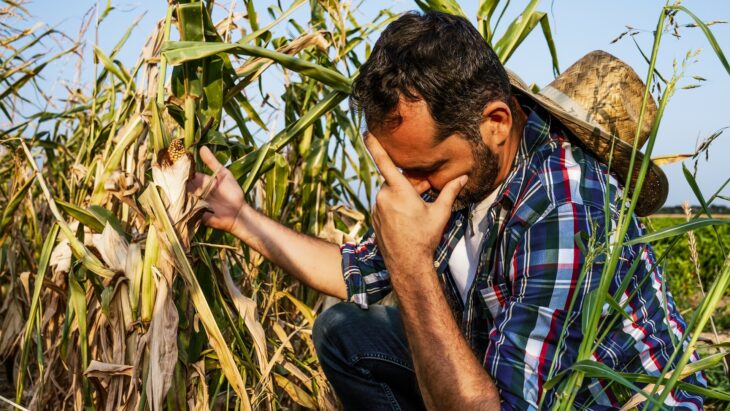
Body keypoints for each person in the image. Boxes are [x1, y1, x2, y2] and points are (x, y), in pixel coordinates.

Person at [187, 10, 706, 410]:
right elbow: (355, 272)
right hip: (500, 378)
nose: (408, 188)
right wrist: (239, 217)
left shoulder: (567, 207)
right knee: (345, 330)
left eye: (424, 168)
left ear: (497, 122)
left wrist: (412, 264)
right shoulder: (464, 172)